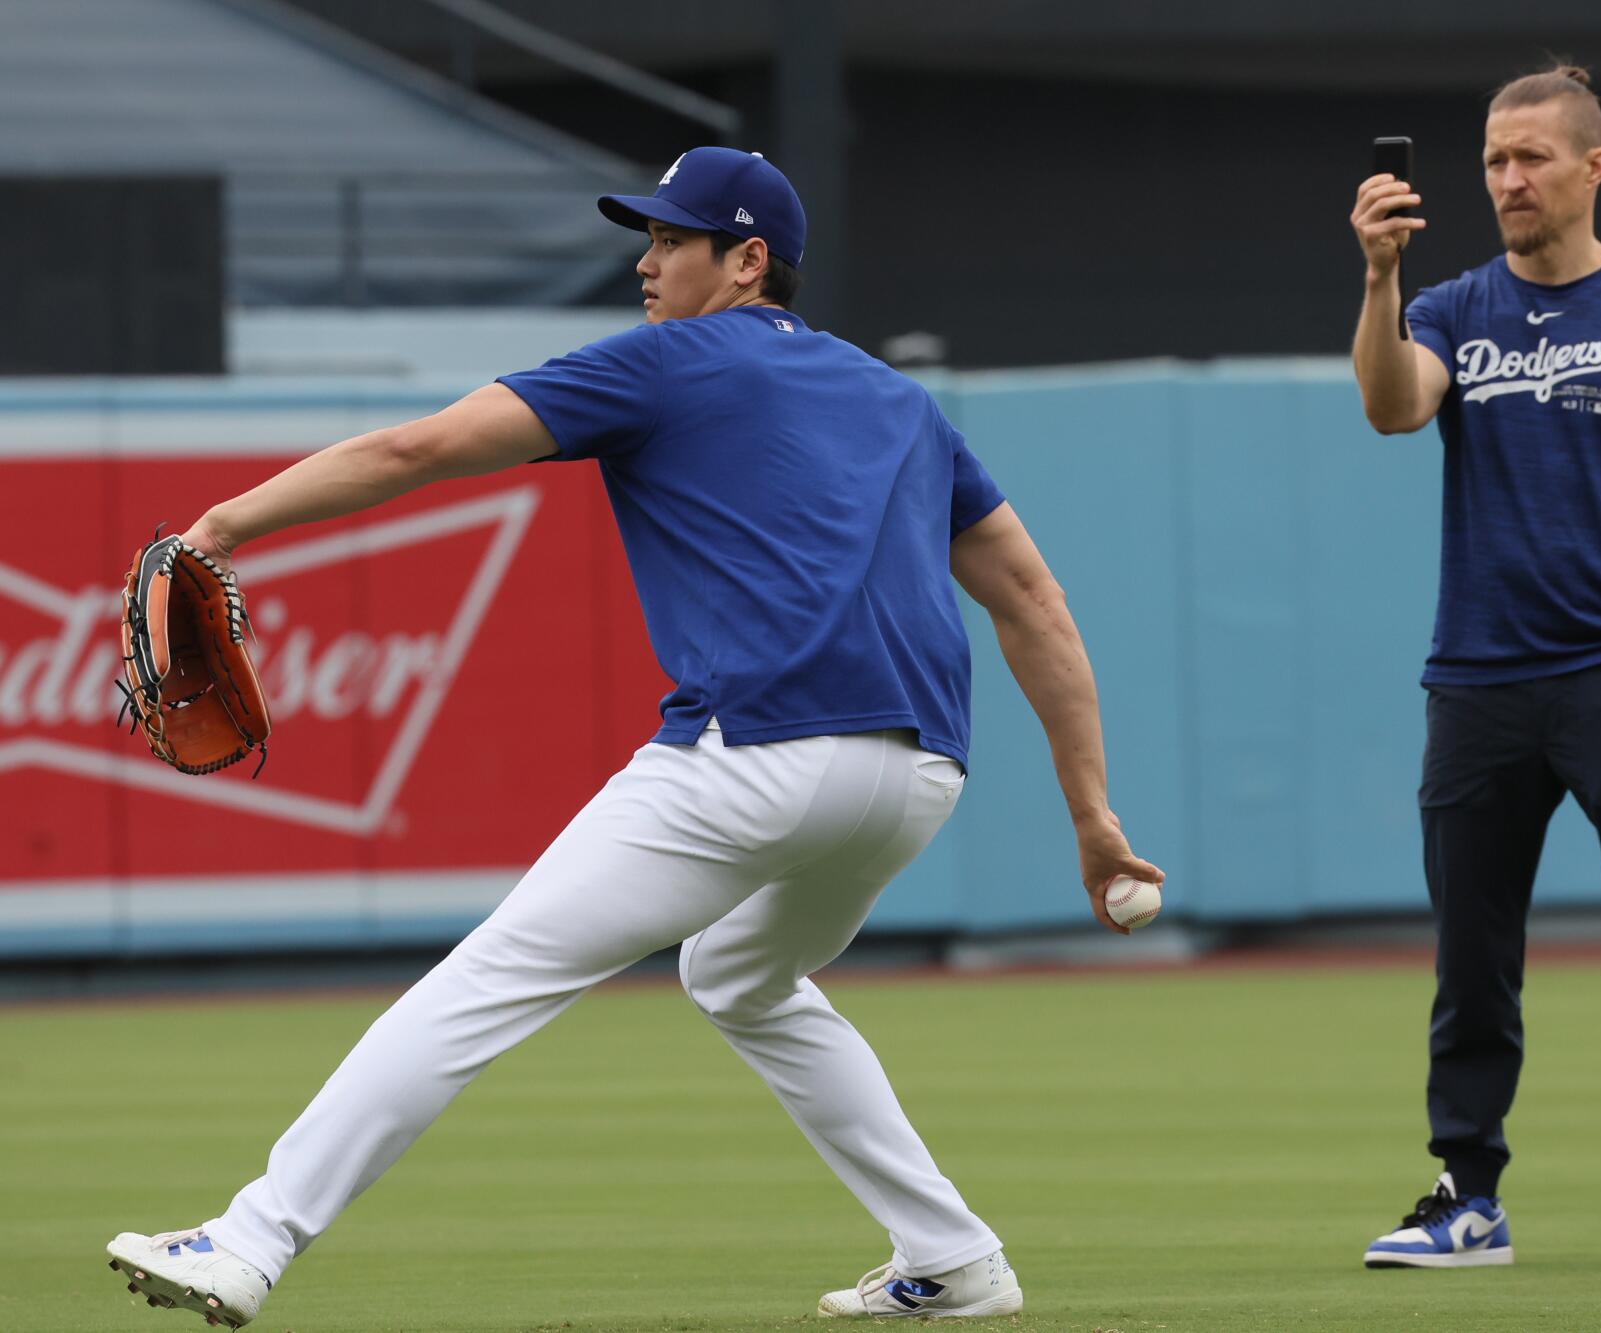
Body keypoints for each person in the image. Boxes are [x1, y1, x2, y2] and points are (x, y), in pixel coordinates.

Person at [103, 146, 1163, 1327]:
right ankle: (949, 1254)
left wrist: (221, 525)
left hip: (756, 753)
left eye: (672, 238)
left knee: (491, 978)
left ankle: (249, 1240)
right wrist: (1090, 812)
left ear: (748, 260)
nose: (646, 261)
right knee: (739, 972)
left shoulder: (666, 361)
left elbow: (417, 449)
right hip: (914, 776)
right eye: (646, 237)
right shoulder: (899, 402)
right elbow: (1030, 599)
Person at [1346, 65, 1601, 1269]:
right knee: (1469, 959)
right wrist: (1378, 277)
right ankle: (1464, 1192)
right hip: (1476, 682)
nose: (1507, 180)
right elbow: (1389, 408)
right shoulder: (1453, 306)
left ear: (1592, 168)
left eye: (1530, 157)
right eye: (1491, 160)